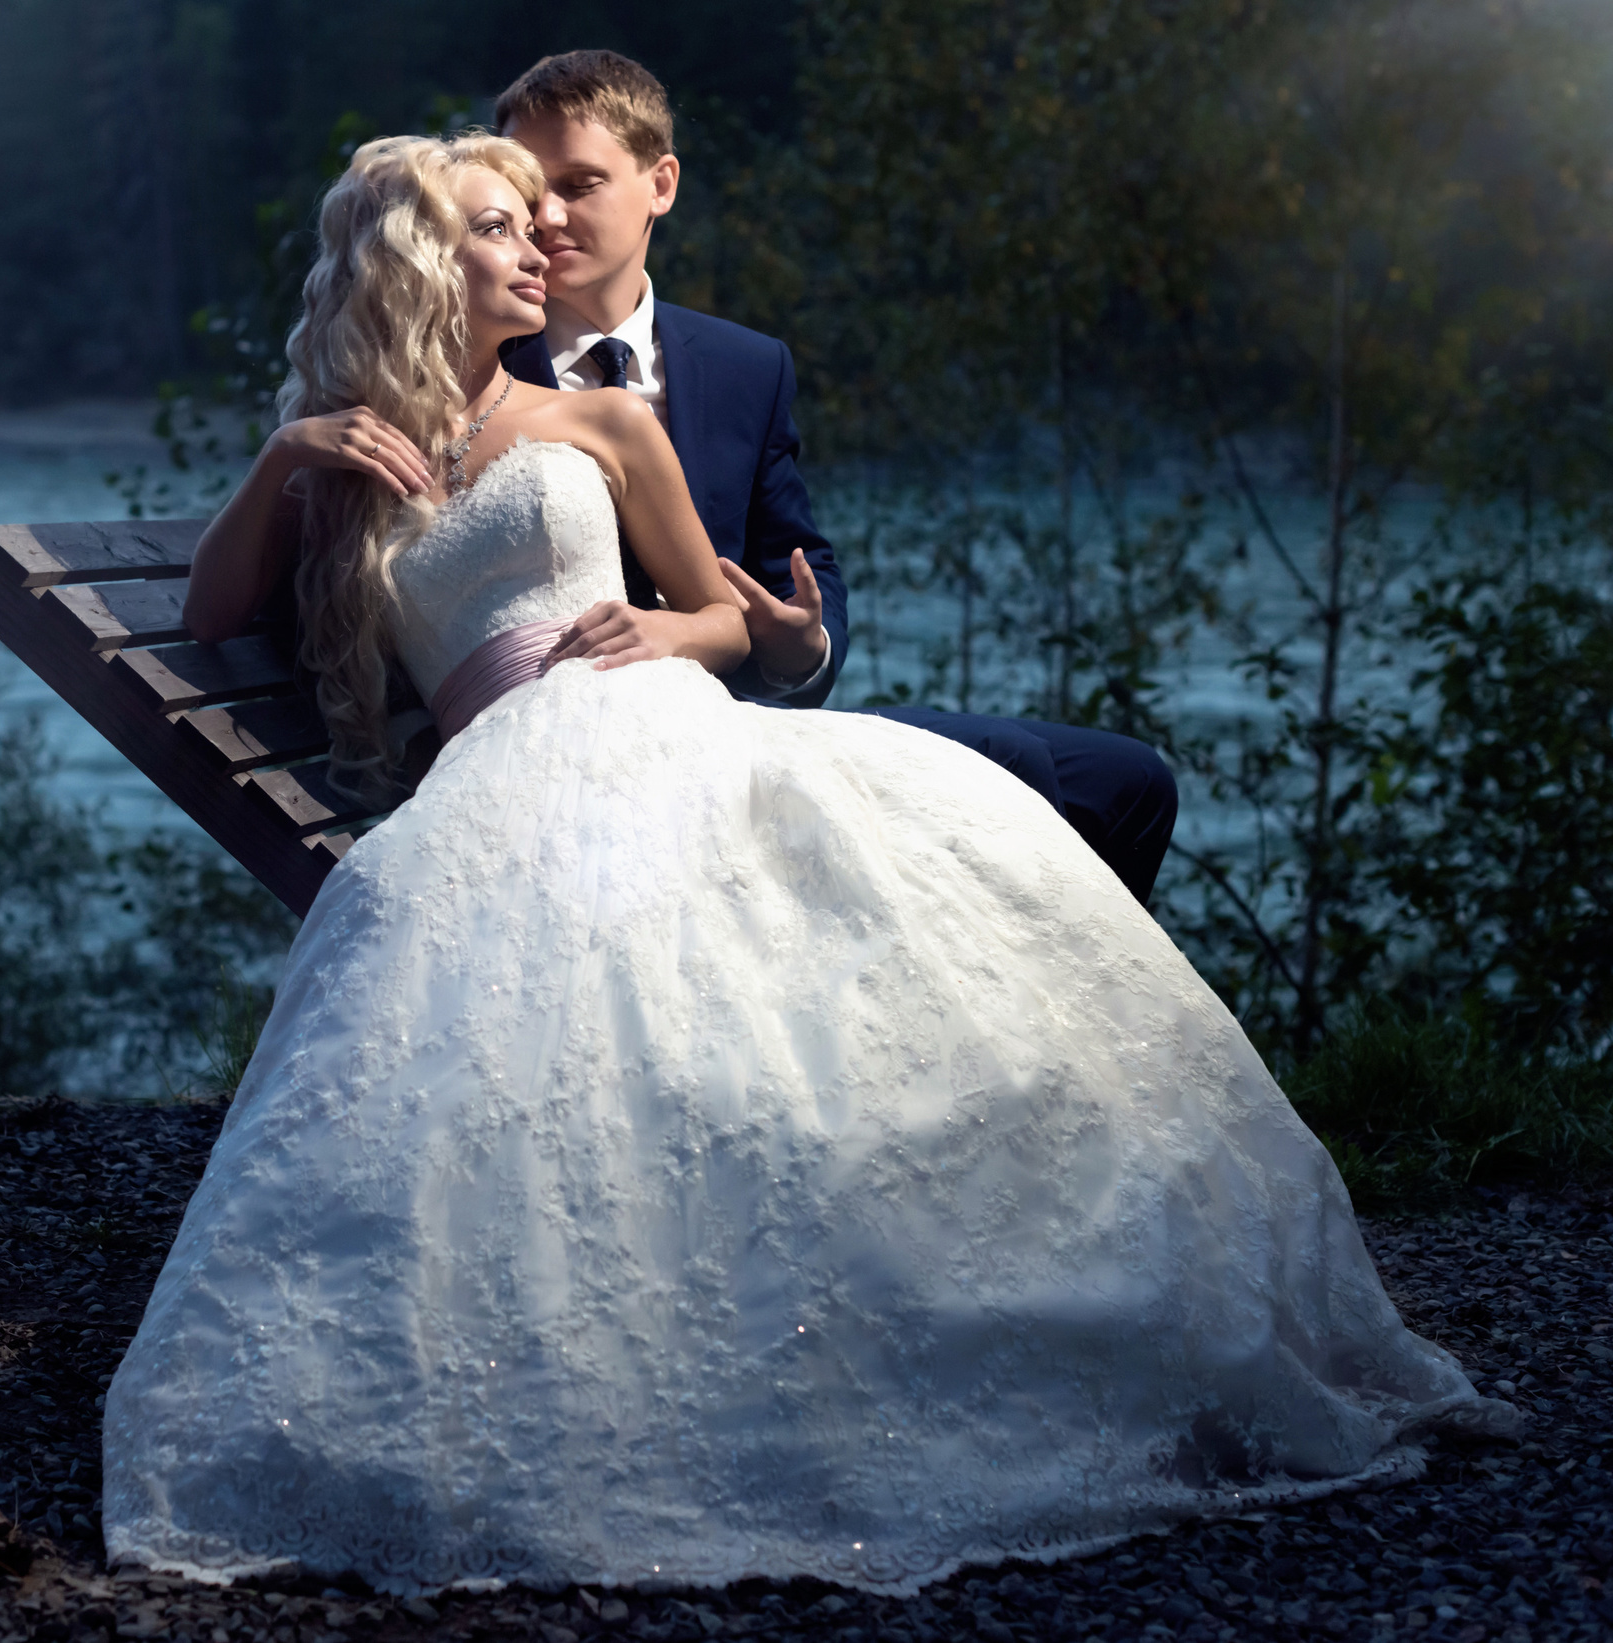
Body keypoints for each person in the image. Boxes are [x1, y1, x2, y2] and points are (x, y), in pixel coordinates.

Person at [101, 134, 1513, 1597]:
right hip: (501, 778)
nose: (534, 248)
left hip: (652, 722)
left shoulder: (602, 418)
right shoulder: (350, 458)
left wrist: (668, 628)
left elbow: (729, 617)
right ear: (416, 261)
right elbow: (210, 610)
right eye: (495, 228)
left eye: (533, 222)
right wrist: (291, 451)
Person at [492, 50, 1179, 905]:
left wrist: (800, 647)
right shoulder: (477, 363)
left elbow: (800, 564)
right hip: (586, 752)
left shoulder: (747, 366)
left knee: (1128, 780)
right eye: (530, 192)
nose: (547, 216)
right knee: (1016, 766)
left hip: (745, 714)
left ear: (660, 184)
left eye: (580, 184)